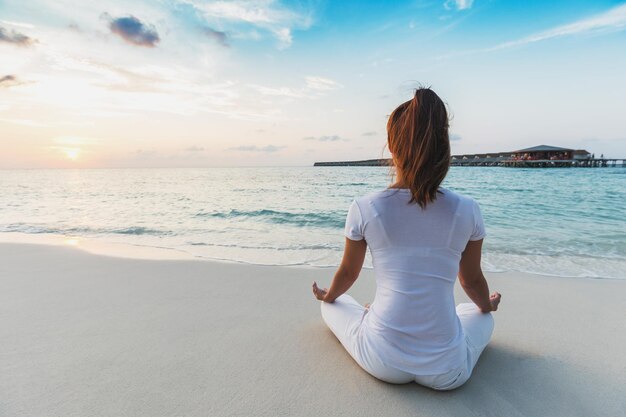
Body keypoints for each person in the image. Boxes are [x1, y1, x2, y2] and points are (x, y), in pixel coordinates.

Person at [312, 88, 501, 390]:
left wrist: (329, 296)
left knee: (333, 306)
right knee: (478, 314)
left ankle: (373, 313)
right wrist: (487, 305)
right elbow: (471, 282)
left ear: (391, 146)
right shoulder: (467, 209)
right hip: (447, 370)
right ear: (445, 148)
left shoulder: (366, 207)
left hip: (382, 359)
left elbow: (348, 273)